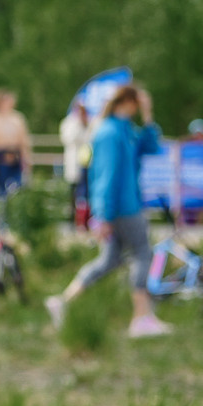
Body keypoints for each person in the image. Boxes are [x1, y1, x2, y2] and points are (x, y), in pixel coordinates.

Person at [45, 84, 168, 339]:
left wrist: (149, 116)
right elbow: (105, 177)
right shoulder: (110, 134)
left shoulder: (125, 131)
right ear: (128, 102)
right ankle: (141, 317)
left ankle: (63, 302)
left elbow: (152, 147)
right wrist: (103, 215)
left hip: (125, 204)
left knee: (109, 261)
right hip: (123, 207)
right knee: (143, 254)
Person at [59, 97, 94, 228]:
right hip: (75, 162)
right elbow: (69, 138)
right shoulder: (69, 123)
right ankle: (72, 220)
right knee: (73, 193)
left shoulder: (89, 122)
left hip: (87, 163)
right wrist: (79, 123)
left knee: (87, 193)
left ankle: (86, 220)